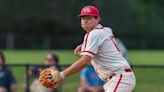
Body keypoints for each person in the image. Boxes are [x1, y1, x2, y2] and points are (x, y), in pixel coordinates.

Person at [53, 5, 136, 92]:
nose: (85, 21)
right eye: (83, 18)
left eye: (89, 18)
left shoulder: (94, 34)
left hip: (119, 78)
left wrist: (61, 75)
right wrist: (84, 45)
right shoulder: (106, 30)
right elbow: (102, 41)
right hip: (118, 78)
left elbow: (85, 61)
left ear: (98, 19)